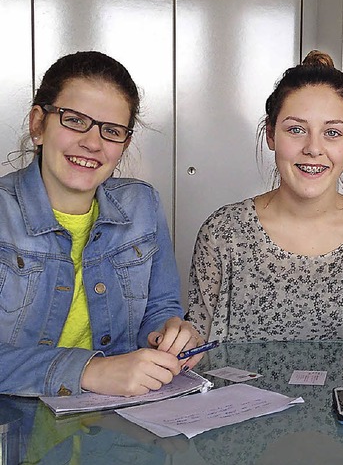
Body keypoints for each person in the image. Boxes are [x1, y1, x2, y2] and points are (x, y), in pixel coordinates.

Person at [0, 51, 205, 397]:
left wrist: (168, 332)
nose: (93, 143)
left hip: (118, 432)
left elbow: (161, 308)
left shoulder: (143, 205)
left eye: (111, 131)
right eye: (75, 120)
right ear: (38, 124)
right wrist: (89, 371)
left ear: (123, 145)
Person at [188, 51, 343, 342]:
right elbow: (198, 350)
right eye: (295, 130)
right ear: (270, 135)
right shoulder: (223, 233)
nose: (314, 148)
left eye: (332, 133)